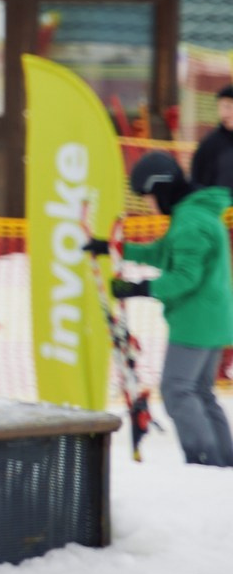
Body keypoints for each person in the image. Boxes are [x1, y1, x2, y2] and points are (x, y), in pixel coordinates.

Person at [93, 152, 233, 467]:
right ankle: (225, 463)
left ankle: (204, 461)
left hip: (196, 321)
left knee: (177, 390)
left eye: (150, 198)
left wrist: (140, 288)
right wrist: (114, 248)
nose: (151, 206)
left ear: (163, 188)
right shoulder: (194, 213)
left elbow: (186, 277)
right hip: (212, 318)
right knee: (200, 392)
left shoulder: (190, 222)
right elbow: (166, 253)